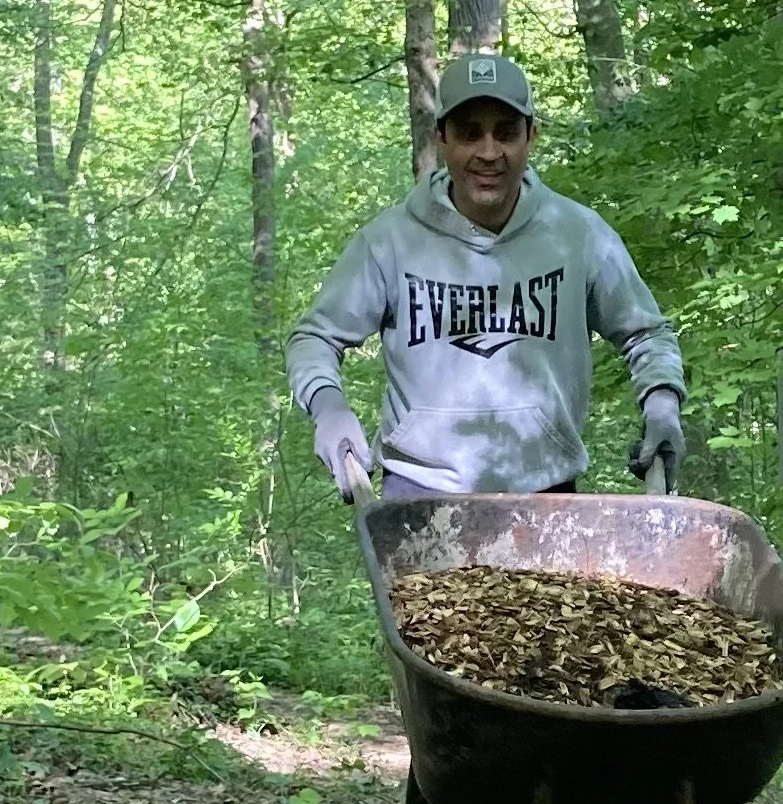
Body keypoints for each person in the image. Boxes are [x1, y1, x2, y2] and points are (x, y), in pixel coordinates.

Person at [286, 53, 687, 501]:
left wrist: (662, 402)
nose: (489, 152)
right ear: (441, 138)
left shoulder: (578, 235)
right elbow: (315, 338)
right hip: (417, 495)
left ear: (531, 136)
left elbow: (646, 334)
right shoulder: (390, 242)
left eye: (506, 132)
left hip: (547, 495)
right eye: (469, 133)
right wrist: (329, 407)